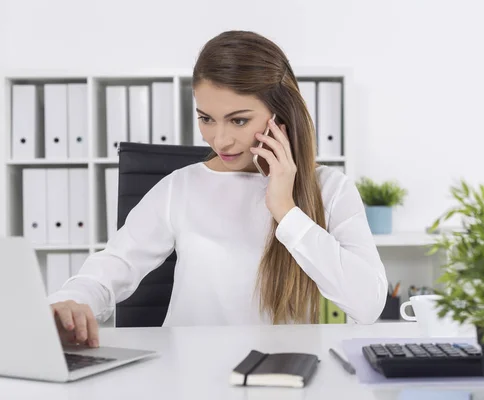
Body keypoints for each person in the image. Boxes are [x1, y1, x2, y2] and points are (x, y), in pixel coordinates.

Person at [48, 30, 388, 348]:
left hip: (281, 376)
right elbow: (112, 268)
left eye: (239, 120)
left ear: (280, 115)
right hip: (188, 375)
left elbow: (367, 305)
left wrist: (286, 210)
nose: (219, 140)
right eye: (206, 118)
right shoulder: (180, 188)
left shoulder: (331, 189)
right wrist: (71, 303)